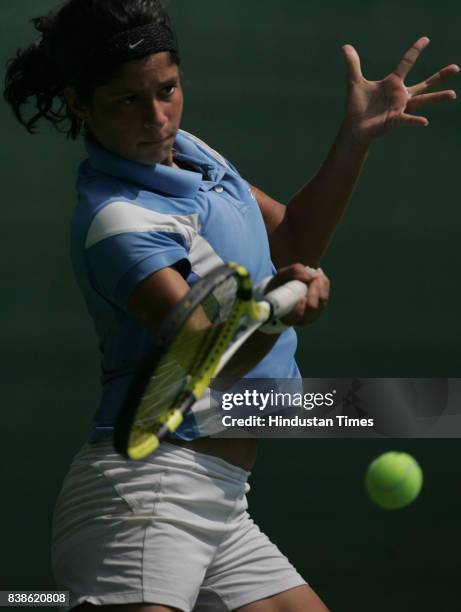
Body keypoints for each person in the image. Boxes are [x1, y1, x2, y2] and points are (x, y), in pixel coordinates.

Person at [4, 1, 458, 611]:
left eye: (167, 90)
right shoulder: (118, 222)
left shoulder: (193, 154)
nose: (157, 118)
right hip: (143, 500)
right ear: (81, 104)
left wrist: (355, 140)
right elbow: (204, 355)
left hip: (221, 498)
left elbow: (292, 239)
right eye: (127, 102)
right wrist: (274, 309)